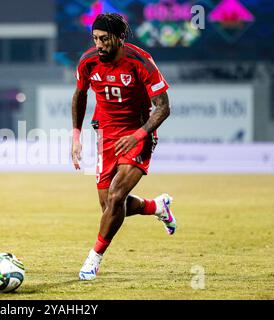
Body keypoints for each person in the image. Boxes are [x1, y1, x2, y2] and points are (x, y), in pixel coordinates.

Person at [71, 13, 177, 281]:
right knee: (109, 206)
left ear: (119, 38)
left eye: (104, 39)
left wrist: (139, 134)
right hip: (106, 137)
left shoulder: (140, 62)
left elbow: (163, 108)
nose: (99, 45)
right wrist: (75, 134)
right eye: (95, 39)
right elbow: (80, 95)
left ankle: (93, 258)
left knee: (116, 196)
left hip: (138, 136)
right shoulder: (88, 62)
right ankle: (157, 207)